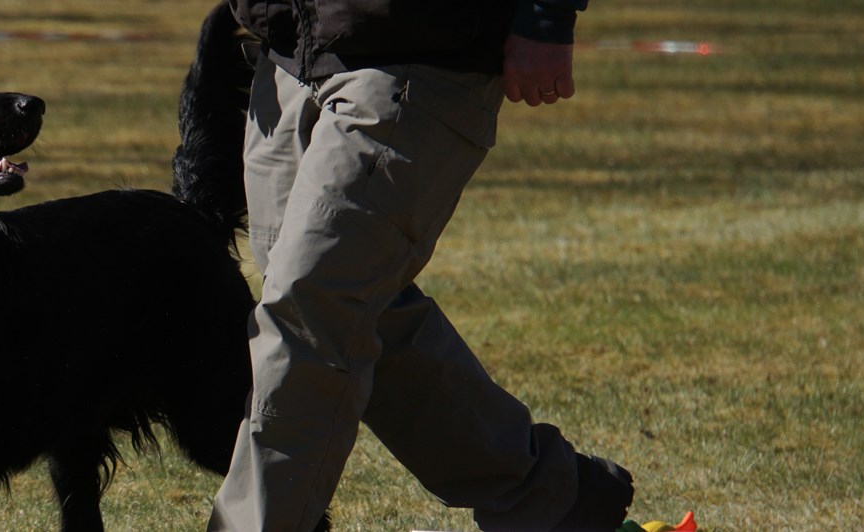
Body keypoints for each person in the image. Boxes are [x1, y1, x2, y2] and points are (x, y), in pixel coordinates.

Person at [207, 1, 636, 531]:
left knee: (312, 305)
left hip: (417, 50)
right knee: (357, 311)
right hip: (289, 59)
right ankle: (550, 499)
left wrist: (545, 13)